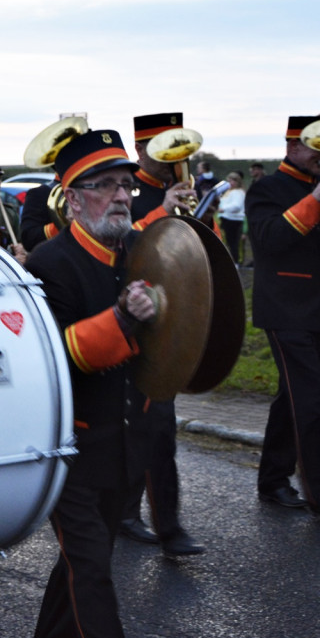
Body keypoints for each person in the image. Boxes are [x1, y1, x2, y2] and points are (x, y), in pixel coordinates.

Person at [26, 128, 161, 638]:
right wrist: (124, 320)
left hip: (126, 434)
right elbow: (62, 355)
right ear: (73, 198)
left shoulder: (139, 250)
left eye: (125, 184)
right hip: (70, 442)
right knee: (92, 567)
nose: (123, 195)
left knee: (90, 555)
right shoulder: (48, 263)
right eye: (104, 185)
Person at [117, 113, 203, 557]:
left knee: (153, 423)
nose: (175, 160)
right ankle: (154, 522)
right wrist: (162, 211)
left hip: (169, 318)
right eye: (164, 151)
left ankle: (144, 517)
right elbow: (123, 246)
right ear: (141, 151)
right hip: (129, 316)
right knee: (148, 424)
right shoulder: (125, 189)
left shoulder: (184, 188)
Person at [246, 114, 320, 513]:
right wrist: (316, 201)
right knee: (311, 401)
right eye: (315, 146)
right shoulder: (268, 189)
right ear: (292, 147)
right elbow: (270, 240)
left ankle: (273, 479)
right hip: (287, 308)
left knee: (292, 397)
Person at [217, 171, 246, 264]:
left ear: (238, 182)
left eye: (233, 180)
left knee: (233, 243)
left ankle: (235, 262)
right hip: (226, 219)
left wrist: (223, 209)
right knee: (228, 242)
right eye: (229, 180)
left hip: (233, 220)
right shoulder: (229, 191)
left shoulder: (238, 192)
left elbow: (237, 206)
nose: (230, 183)